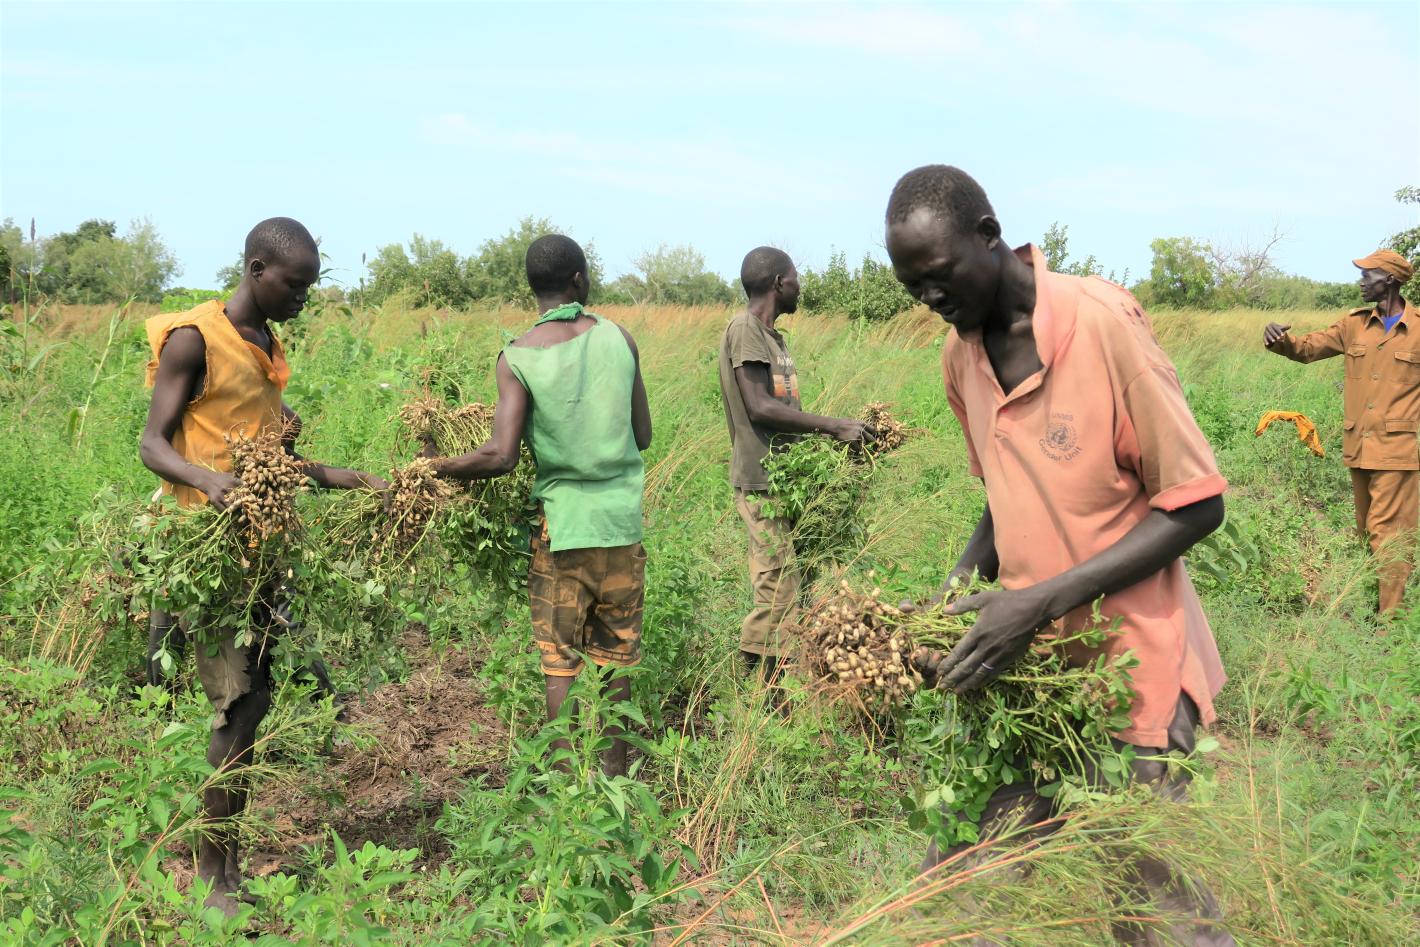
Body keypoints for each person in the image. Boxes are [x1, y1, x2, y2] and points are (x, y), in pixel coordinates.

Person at [885, 166, 1234, 945]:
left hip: (1132, 672)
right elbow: (1004, 493)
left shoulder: (1102, 324)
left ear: (989, 235)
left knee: (1155, 915)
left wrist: (1036, 602)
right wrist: (955, 591)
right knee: (959, 884)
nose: (930, 298)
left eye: (938, 276)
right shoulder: (960, 359)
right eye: (912, 288)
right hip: (1031, 679)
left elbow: (1195, 502)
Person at [139, 217, 386, 917]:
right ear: (255, 270)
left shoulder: (266, 345)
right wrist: (207, 480)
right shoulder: (195, 339)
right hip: (208, 553)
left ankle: (227, 863)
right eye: (295, 284)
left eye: (311, 285)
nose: (304, 297)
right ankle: (210, 876)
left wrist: (341, 476)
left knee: (253, 709)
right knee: (234, 708)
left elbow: (268, 459)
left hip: (259, 552)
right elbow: (153, 444)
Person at [430, 233, 651, 778]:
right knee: (616, 660)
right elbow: (642, 435)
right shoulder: (619, 338)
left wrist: (435, 466)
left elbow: (500, 456)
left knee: (561, 663)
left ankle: (563, 789)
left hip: (563, 531)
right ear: (579, 279)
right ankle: (615, 780)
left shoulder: (517, 357)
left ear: (534, 286)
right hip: (621, 527)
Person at [717, 246, 868, 685]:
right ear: (778, 283)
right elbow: (759, 406)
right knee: (777, 587)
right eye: (796, 277)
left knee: (786, 586)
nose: (801, 286)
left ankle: (759, 688)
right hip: (761, 481)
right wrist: (833, 426)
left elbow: (783, 413)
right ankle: (765, 698)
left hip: (785, 480)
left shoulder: (772, 338)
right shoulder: (745, 329)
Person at [1263, 250, 1417, 616]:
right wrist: (1280, 340)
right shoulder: (1353, 325)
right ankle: (1374, 610)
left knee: (1387, 535)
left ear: (1390, 279)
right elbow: (1307, 348)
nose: (1361, 282)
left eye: (1368, 275)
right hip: (1359, 448)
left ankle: (1390, 625)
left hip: (1397, 452)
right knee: (1366, 534)